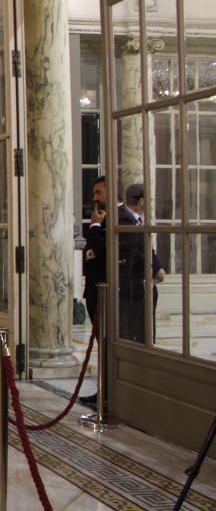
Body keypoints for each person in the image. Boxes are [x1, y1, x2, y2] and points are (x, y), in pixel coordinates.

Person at [117, 183, 165, 343]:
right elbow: (136, 251)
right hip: (134, 286)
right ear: (142, 201)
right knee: (137, 333)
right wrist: (155, 269)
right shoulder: (124, 218)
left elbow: (146, 248)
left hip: (142, 284)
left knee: (144, 333)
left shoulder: (132, 219)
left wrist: (157, 267)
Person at [79, 175, 107, 408]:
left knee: (108, 346)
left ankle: (107, 395)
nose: (94, 197)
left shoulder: (115, 219)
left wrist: (96, 226)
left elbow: (102, 251)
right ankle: (102, 392)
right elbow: (91, 252)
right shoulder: (100, 219)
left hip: (107, 293)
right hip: (94, 291)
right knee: (101, 345)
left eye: (98, 193)